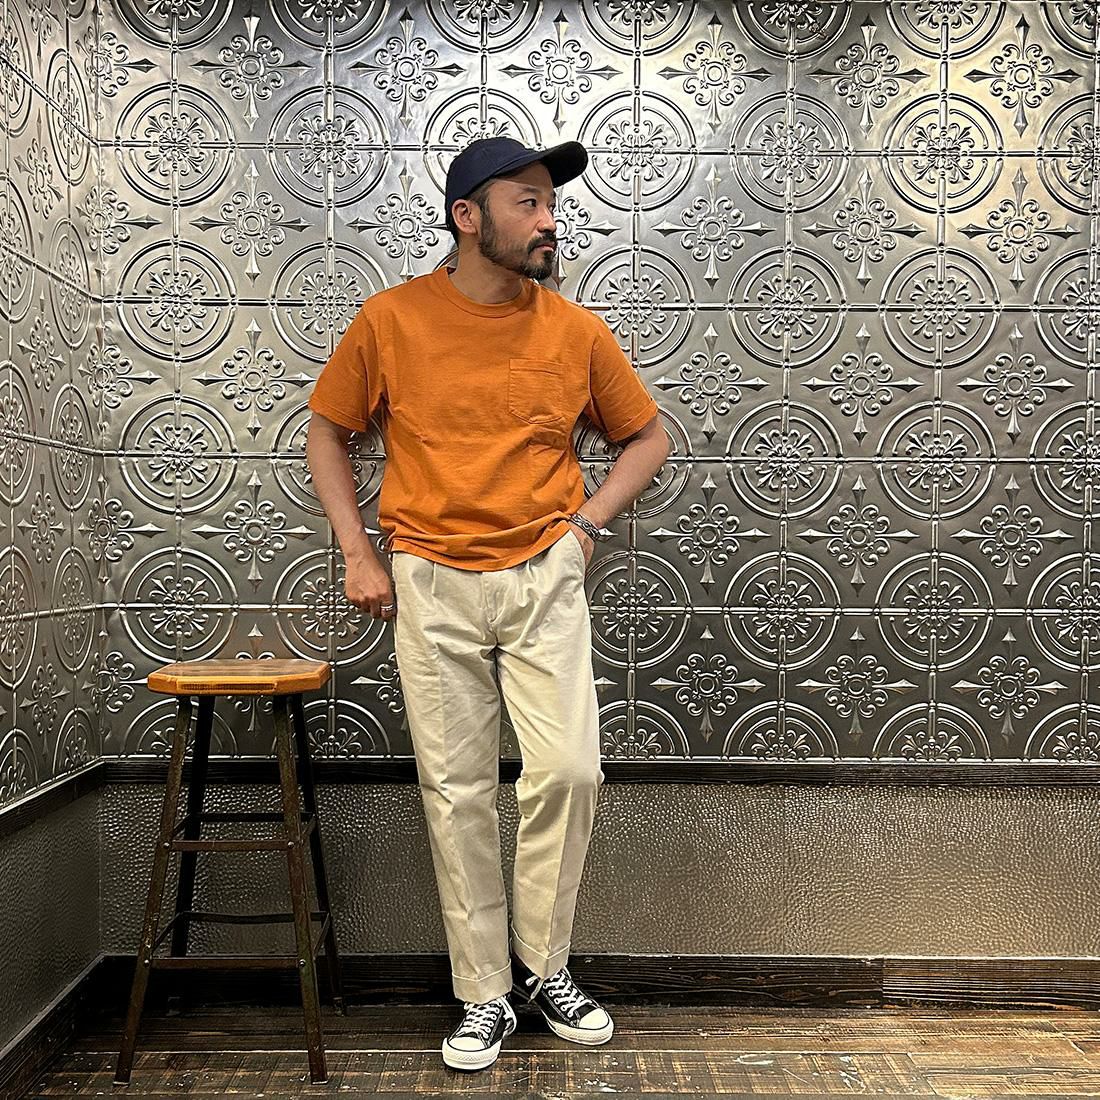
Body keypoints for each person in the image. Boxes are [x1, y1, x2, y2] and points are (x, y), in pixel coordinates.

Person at [305, 136, 669, 1072]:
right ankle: (482, 993)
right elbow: (327, 431)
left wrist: (583, 530)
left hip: (544, 577)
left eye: (551, 203)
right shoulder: (390, 319)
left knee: (570, 772)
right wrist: (359, 553)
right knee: (457, 792)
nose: (550, 220)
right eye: (528, 202)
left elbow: (647, 438)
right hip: (428, 578)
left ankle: (545, 969)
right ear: (468, 217)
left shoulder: (575, 331)